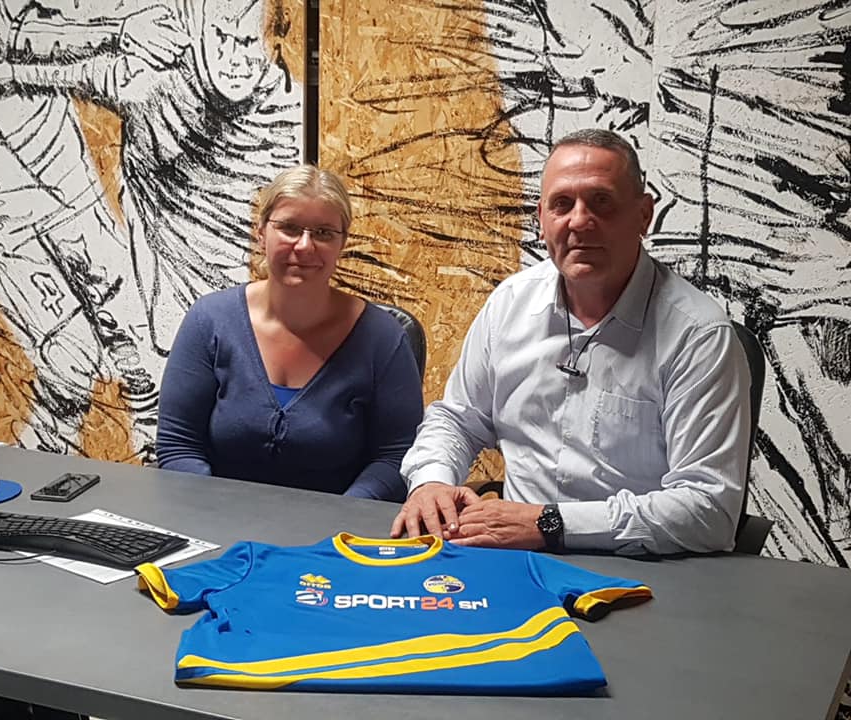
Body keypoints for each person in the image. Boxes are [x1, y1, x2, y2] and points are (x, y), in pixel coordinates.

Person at [391, 128, 751, 554]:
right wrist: (431, 481)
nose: (579, 221)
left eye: (601, 201)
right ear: (541, 220)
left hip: (640, 567)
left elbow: (709, 510)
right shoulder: (510, 304)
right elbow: (457, 420)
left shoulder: (698, 336)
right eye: (562, 204)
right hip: (510, 555)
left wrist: (549, 524)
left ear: (643, 215)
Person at [156, 165, 423, 501]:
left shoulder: (382, 338)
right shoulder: (210, 320)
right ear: (261, 232)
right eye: (290, 228)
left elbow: (395, 456)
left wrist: (344, 515)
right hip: (214, 518)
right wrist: (213, 510)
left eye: (324, 233)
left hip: (337, 527)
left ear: (342, 243)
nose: (305, 246)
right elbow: (178, 444)